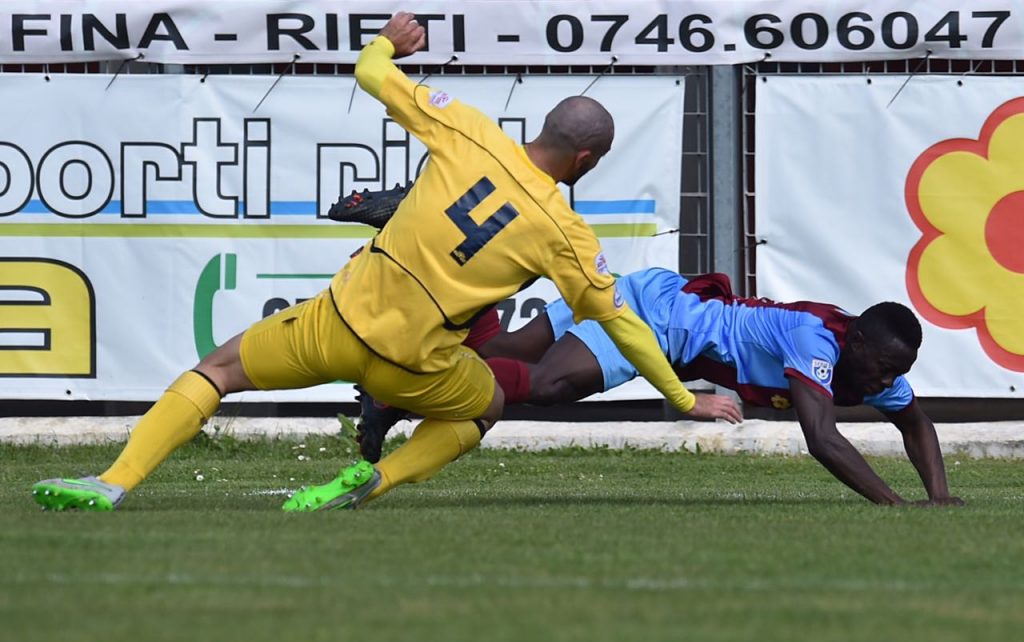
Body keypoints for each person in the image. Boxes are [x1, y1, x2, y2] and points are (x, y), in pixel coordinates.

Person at [31, 12, 738, 513]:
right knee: (487, 404)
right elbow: (623, 325)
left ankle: (115, 481)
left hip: (334, 326)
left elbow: (371, 71)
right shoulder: (566, 233)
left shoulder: (469, 129)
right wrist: (685, 401)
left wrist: (388, 41)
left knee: (217, 371)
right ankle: (378, 480)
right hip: (415, 368)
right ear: (585, 159)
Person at [358, 265, 964, 506]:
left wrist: (938, 497)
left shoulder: (871, 367)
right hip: (657, 320)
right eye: (885, 368)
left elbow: (917, 423)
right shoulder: (817, 341)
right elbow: (822, 438)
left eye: (898, 372)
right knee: (546, 384)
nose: (889, 381)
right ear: (857, 343)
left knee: (494, 353)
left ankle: (430, 282)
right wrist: (897, 507)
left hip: (648, 292)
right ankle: (396, 390)